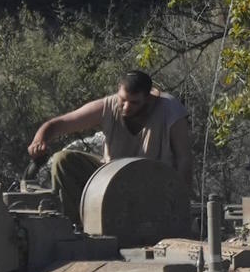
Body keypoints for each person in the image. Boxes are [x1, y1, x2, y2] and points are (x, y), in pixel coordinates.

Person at [29, 70, 194, 223]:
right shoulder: (108, 106)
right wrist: (39, 140)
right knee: (62, 160)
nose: (126, 107)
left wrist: (179, 202)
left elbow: (184, 159)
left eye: (134, 103)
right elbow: (60, 124)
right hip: (111, 180)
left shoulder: (171, 110)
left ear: (149, 98)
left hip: (152, 186)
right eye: (123, 100)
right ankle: (75, 226)